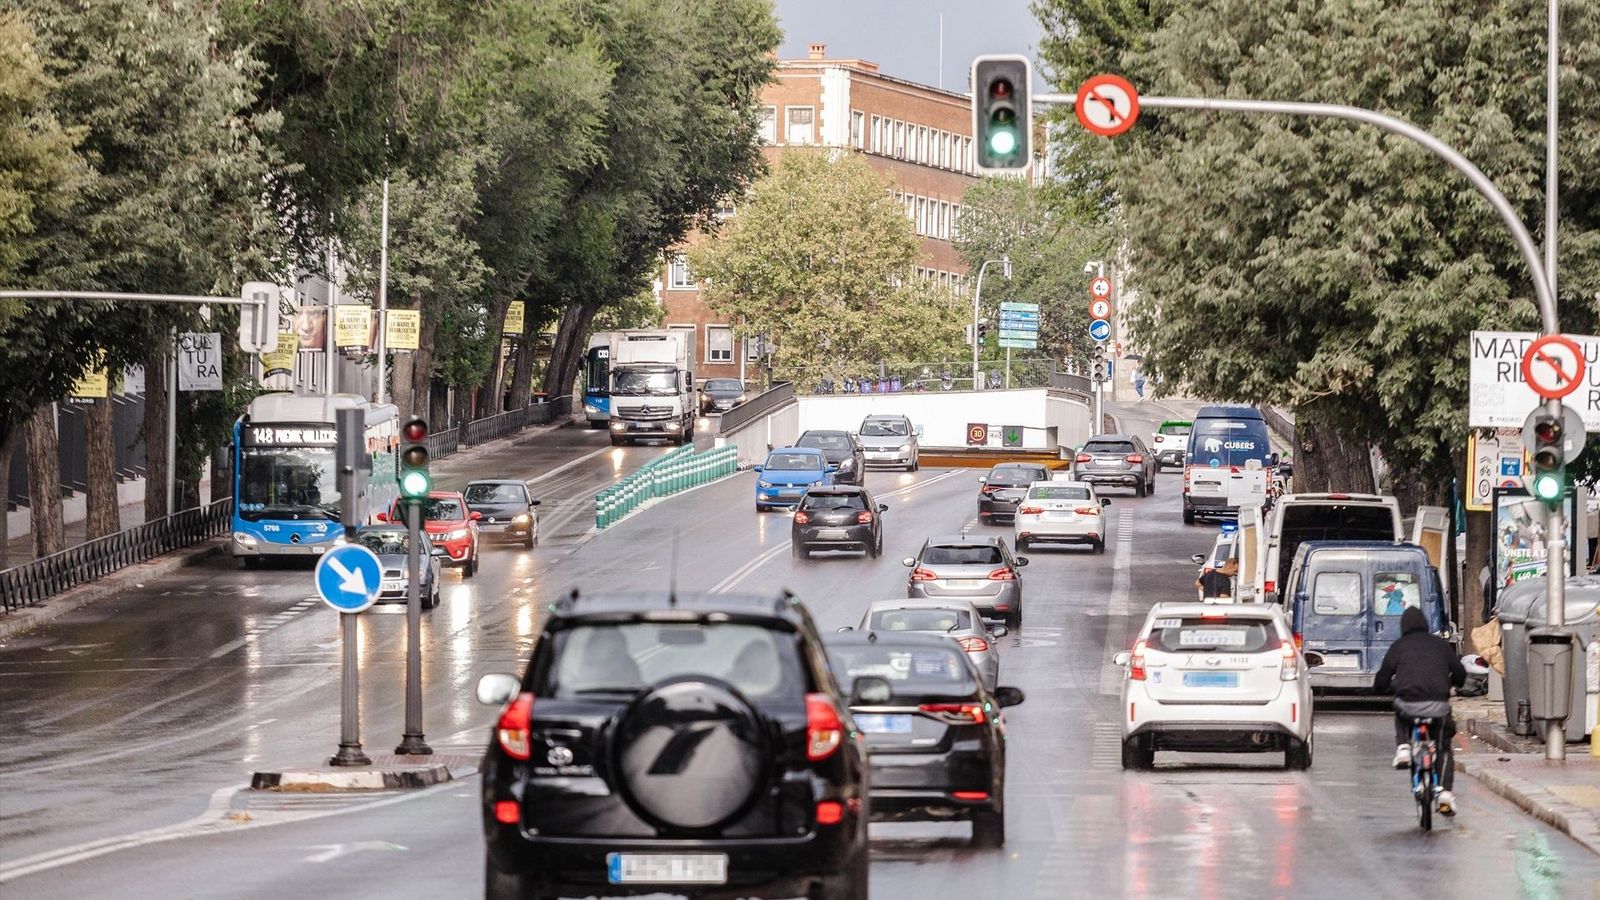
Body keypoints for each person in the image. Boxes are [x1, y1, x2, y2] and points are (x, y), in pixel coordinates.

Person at [1374, 606, 1467, 816]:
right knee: (1443, 747)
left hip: (1408, 706)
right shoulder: (1440, 645)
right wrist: (1450, 683)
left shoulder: (1399, 646)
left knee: (1399, 708)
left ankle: (1404, 746)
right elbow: (1461, 674)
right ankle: (1444, 792)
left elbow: (1380, 681)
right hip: (1439, 707)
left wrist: (1390, 688)